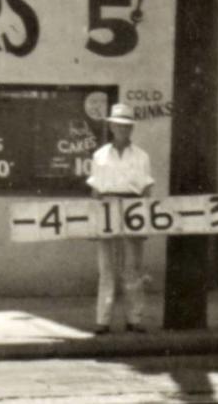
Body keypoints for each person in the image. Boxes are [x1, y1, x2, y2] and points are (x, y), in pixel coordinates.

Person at [86, 103, 154, 335]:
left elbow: (146, 190)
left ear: (132, 128)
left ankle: (134, 319)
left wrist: (143, 222)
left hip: (132, 211)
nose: (123, 130)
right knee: (106, 269)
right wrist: (94, 223)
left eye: (127, 126)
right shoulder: (100, 155)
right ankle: (102, 321)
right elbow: (95, 191)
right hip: (107, 210)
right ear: (111, 126)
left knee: (132, 268)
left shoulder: (142, 156)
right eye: (118, 125)